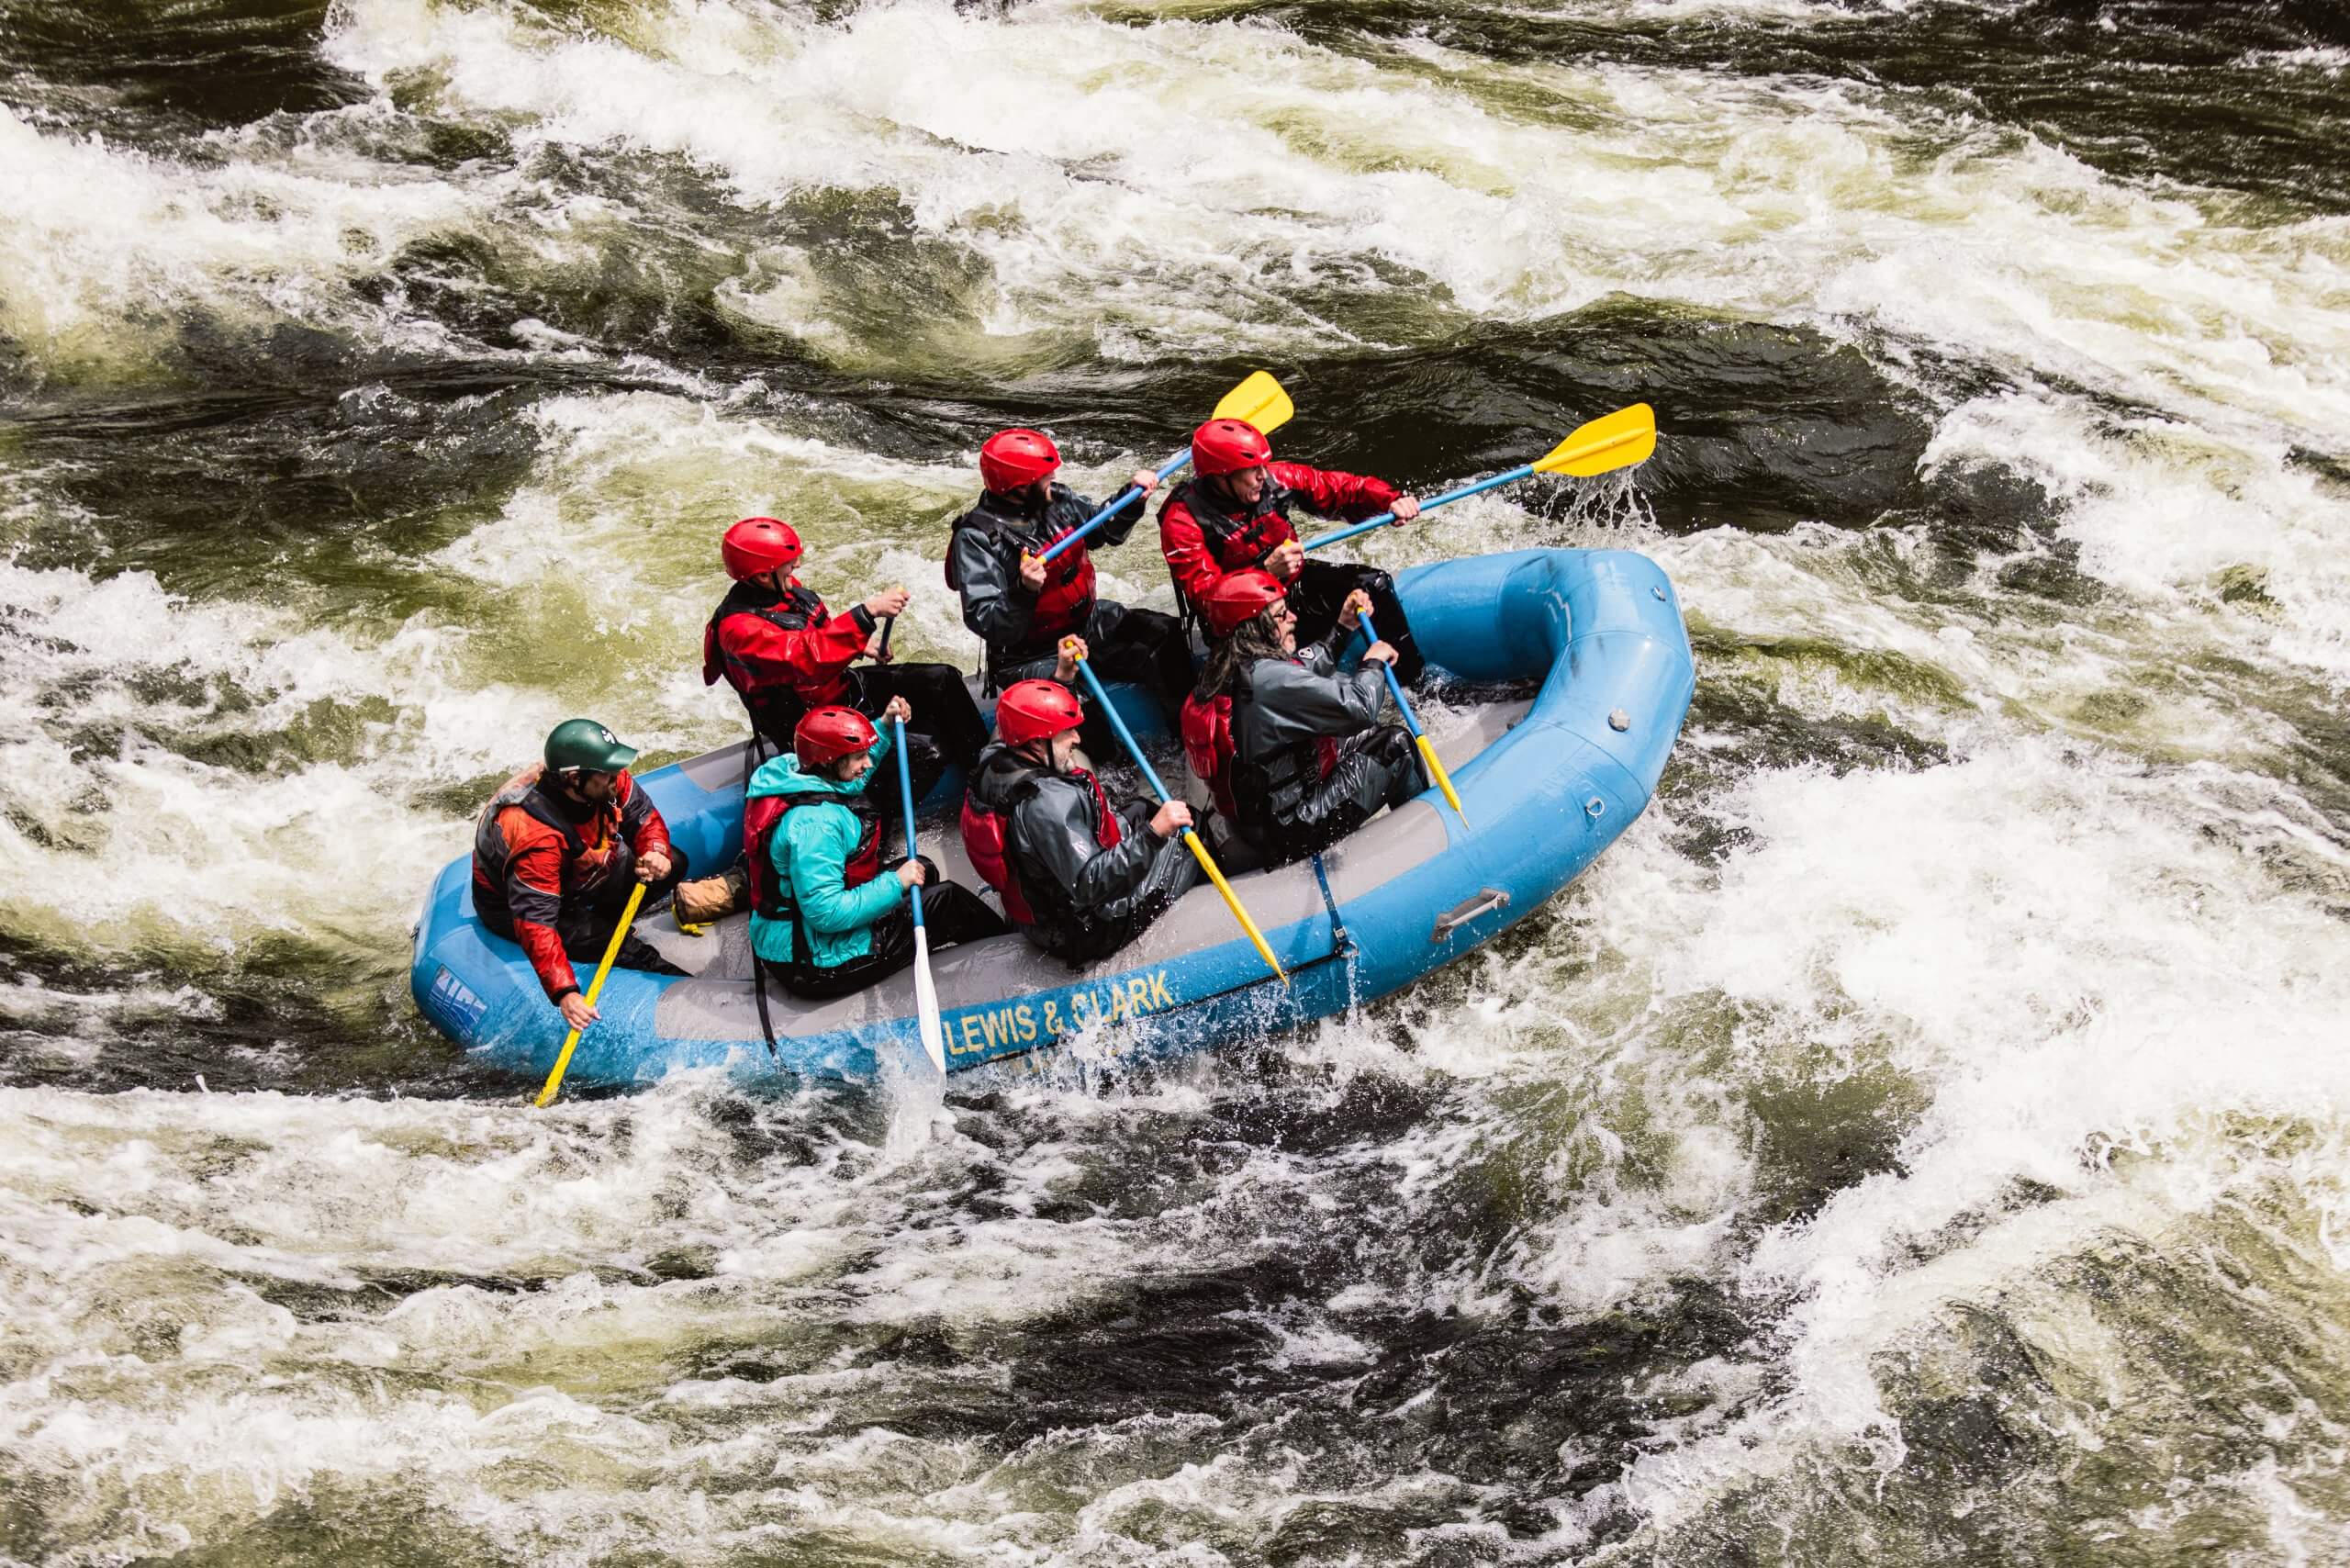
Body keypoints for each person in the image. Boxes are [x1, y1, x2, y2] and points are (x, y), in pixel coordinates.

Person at [704, 515, 988, 802]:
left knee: (942, 679)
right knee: (928, 754)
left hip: (842, 692)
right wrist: (867, 612)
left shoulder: (783, 590)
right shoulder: (738, 631)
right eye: (788, 563)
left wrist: (860, 645)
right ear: (764, 576)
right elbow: (805, 659)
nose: (797, 566)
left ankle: (987, 777)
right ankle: (874, 827)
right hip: (814, 728)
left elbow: (815, 634)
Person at [947, 428, 1194, 750]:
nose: (1053, 478)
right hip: (1029, 654)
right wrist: (1023, 590)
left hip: (1086, 624)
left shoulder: (1056, 499)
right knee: (1074, 695)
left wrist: (1130, 499)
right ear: (1018, 487)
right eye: (1044, 476)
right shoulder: (977, 538)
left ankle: (1189, 738)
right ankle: (1107, 778)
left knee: (1162, 632)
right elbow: (987, 621)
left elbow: (1102, 529)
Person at [744, 700, 1009, 1000]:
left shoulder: (794, 773)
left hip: (799, 933)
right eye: (859, 757)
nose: (867, 763)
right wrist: (894, 883)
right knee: (947, 901)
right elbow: (827, 913)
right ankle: (1011, 958)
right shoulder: (816, 828)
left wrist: (883, 726)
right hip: (815, 961)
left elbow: (848, 779)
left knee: (922, 867)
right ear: (830, 760)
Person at [960, 645, 1202, 965]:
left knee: (1142, 809)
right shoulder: (1046, 802)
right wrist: (1154, 835)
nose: (1076, 739)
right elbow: (1090, 884)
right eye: (1066, 732)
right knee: (1186, 837)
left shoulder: (994, 757)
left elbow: (1019, 718)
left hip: (1039, 899)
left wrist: (1061, 679)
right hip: (1083, 928)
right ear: (1036, 742)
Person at [1158, 418, 1429, 684]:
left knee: (1375, 584)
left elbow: (1340, 489)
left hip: (1293, 587)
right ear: (1221, 475)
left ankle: (1417, 685)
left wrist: (1390, 500)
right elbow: (1208, 601)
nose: (1262, 476)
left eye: (1261, 465)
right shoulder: (1182, 521)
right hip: (1243, 622)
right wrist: (1263, 573)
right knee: (1282, 672)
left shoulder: (1274, 480)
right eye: (1251, 470)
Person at [1180, 570, 1421, 868]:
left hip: (1257, 820)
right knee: (1396, 745)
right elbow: (1359, 708)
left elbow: (1299, 670)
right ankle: (1423, 846)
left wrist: (1343, 628)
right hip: (1293, 829)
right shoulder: (1266, 682)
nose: (1293, 617)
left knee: (1366, 736)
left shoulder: (1222, 673)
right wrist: (1372, 664)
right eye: (1281, 615)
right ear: (1255, 627)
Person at [472, 719, 688, 1031]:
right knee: (607, 939)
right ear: (574, 778)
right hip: (513, 904)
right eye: (608, 773)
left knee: (674, 863)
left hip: (576, 878)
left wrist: (655, 850)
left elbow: (643, 817)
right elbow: (536, 923)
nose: (618, 777)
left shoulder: (603, 779)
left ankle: (606, 919)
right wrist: (565, 992)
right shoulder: (537, 837)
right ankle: (671, 981)